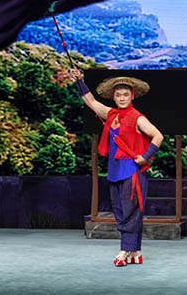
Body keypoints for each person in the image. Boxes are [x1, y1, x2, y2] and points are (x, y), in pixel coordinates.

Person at [70, 68, 163, 267]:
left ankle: (124, 250)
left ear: (132, 96)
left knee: (129, 211)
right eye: (118, 95)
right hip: (114, 170)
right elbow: (91, 102)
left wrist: (145, 157)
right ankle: (135, 251)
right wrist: (79, 81)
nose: (122, 98)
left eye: (125, 95)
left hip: (132, 171)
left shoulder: (138, 118)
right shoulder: (111, 114)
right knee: (120, 210)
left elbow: (158, 136)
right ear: (114, 97)